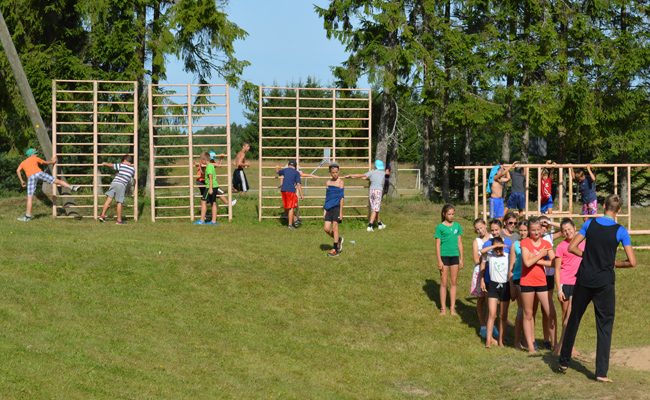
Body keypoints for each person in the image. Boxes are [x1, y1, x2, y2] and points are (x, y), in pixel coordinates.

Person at [559, 194, 636, 382]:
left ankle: (563, 361)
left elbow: (572, 247)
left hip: (585, 278)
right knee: (604, 325)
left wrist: (587, 256)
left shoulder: (590, 224)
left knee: (574, 318)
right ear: (619, 210)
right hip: (604, 282)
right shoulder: (621, 231)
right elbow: (632, 262)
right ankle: (601, 372)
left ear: (603, 206)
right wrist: (614, 263)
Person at [520, 217, 555, 354]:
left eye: (538, 230)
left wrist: (538, 260)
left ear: (541, 229)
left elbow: (554, 262)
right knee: (528, 313)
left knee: (550, 312)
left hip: (541, 281)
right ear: (529, 230)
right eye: (533, 230)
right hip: (527, 281)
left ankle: (554, 344)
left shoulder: (546, 243)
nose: (536, 232)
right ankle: (530, 346)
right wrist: (541, 254)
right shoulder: (525, 242)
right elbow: (527, 263)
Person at [16, 148, 79, 222]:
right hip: (39, 173)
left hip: (31, 177)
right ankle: (71, 187)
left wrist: (22, 181)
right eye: (35, 153)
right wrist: (53, 161)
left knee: (29, 198)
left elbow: (18, 170)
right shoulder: (35, 158)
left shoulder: (23, 162)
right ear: (31, 154)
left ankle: (27, 216)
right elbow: (45, 162)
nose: (36, 154)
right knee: (56, 181)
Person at [553, 218, 585, 356]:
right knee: (566, 315)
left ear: (575, 228)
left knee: (571, 316)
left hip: (579, 283)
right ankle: (564, 346)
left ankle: (564, 346)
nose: (567, 232)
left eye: (569, 229)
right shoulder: (561, 247)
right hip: (565, 283)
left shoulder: (583, 242)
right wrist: (559, 289)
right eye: (564, 230)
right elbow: (557, 269)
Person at [480, 236, 510, 348]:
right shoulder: (490, 256)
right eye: (496, 248)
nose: (498, 250)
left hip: (505, 286)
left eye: (499, 248)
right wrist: (494, 246)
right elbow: (482, 251)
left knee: (503, 315)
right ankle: (488, 341)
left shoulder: (507, 256)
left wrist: (502, 246)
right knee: (492, 314)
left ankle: (501, 340)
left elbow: (513, 250)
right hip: (493, 286)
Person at [435, 204, 464, 316]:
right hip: (444, 257)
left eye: (453, 214)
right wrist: (439, 260)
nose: (452, 216)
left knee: (453, 282)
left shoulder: (457, 226)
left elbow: (460, 243)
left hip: (455, 256)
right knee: (443, 282)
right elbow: (437, 245)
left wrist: (461, 258)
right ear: (444, 214)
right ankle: (443, 308)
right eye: (449, 214)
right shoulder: (440, 227)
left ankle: (452, 308)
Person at [345, 160, 387, 232]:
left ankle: (380, 224)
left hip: (372, 191)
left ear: (375, 166)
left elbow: (362, 176)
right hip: (378, 191)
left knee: (375, 208)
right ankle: (370, 226)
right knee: (375, 209)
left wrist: (351, 175)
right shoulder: (383, 173)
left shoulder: (372, 172)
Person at [195, 151, 233, 225]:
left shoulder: (209, 167)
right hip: (215, 186)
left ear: (204, 160)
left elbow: (210, 178)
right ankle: (213, 221)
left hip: (210, 187)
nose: (201, 162)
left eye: (201, 160)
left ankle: (201, 220)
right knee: (213, 203)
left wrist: (210, 188)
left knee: (203, 202)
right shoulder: (211, 165)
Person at [98, 155, 136, 224]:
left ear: (125, 160)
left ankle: (102, 215)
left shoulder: (121, 165)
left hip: (114, 183)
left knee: (108, 199)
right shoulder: (133, 169)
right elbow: (131, 178)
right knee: (119, 202)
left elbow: (111, 165)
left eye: (122, 161)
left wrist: (104, 163)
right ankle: (119, 220)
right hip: (121, 185)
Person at [509, 220, 529, 350]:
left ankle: (527, 340)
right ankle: (517, 341)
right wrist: (511, 285)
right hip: (518, 279)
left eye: (525, 230)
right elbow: (511, 266)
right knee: (522, 309)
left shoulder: (532, 243)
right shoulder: (515, 245)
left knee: (530, 311)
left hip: (531, 279)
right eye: (520, 230)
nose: (522, 233)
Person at [470, 219, 491, 336]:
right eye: (477, 229)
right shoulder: (477, 241)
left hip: (492, 271)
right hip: (480, 271)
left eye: (481, 227)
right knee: (481, 298)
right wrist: (485, 255)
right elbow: (475, 259)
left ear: (485, 225)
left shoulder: (493, 236)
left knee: (490, 299)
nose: (480, 230)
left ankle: (490, 324)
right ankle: (482, 325)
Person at [323, 164, 344, 257]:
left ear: (338, 172)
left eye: (336, 172)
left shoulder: (340, 182)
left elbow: (342, 198)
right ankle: (338, 239)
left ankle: (335, 249)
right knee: (326, 229)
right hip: (328, 208)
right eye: (333, 172)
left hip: (336, 208)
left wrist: (341, 212)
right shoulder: (328, 182)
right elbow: (327, 197)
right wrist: (325, 209)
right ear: (330, 173)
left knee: (335, 228)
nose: (335, 174)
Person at [277, 160, 303, 229]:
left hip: (283, 190)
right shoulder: (296, 173)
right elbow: (298, 184)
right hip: (290, 191)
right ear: (295, 166)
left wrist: (277, 168)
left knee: (287, 207)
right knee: (291, 208)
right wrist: (301, 194)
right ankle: (290, 225)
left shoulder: (285, 170)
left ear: (288, 165)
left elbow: (278, 172)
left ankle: (295, 219)